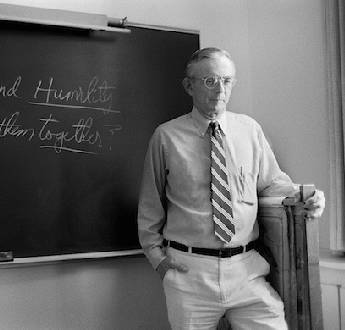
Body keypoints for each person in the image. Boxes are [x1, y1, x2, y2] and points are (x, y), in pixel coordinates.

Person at [137, 47, 325, 330]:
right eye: (210, 81)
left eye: (227, 81)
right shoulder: (166, 137)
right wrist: (159, 262)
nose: (220, 90)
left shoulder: (249, 130)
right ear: (190, 86)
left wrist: (306, 197)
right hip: (190, 274)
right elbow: (150, 206)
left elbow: (274, 183)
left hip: (246, 270)